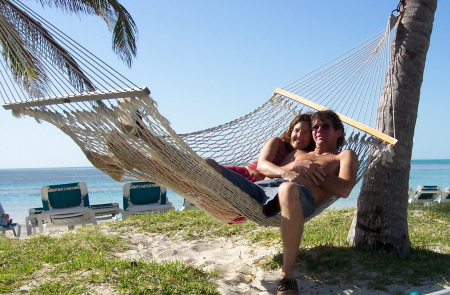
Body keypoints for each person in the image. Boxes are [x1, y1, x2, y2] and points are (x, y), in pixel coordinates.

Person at [206, 110, 358, 295]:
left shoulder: (343, 155)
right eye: (315, 127)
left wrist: (314, 173)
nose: (318, 130)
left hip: (298, 198)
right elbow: (270, 171)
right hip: (263, 190)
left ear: (338, 132)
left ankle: (287, 276)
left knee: (287, 188)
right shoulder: (298, 152)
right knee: (207, 164)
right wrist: (293, 167)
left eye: (325, 126)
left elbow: (344, 189)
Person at [205, 113, 315, 183]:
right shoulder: (276, 142)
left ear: (312, 137)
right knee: (206, 164)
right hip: (244, 175)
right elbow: (262, 166)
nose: (299, 135)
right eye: (296, 130)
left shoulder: (305, 156)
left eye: (306, 133)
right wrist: (286, 173)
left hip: (257, 191)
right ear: (291, 131)